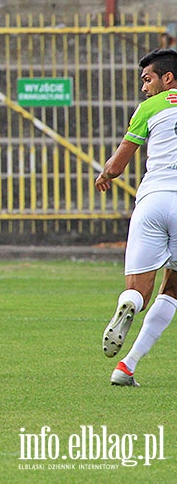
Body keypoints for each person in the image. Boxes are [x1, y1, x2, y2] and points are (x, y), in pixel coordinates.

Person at [95, 48, 177, 386]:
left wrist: (105, 176)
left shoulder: (148, 109)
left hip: (153, 199)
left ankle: (127, 305)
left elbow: (117, 165)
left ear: (168, 78)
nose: (144, 88)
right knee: (172, 288)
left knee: (137, 292)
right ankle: (128, 366)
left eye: (147, 79)